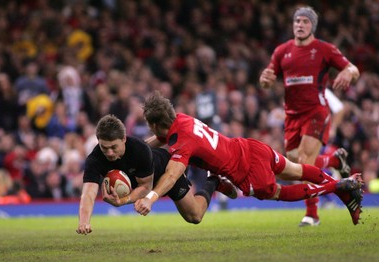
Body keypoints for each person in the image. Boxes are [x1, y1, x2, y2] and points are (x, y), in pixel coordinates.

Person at [135, 92, 364, 226]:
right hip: (250, 147)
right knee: (296, 170)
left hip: (246, 171)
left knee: (278, 193)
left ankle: (339, 186)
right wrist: (134, 151)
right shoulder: (181, 119)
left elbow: (173, 174)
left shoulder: (181, 142)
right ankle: (341, 185)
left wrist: (151, 199)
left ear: (155, 124)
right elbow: (160, 139)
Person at [259, 6, 360, 226]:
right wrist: (265, 81)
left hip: (316, 111)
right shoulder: (281, 51)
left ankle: (312, 214)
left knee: (305, 160)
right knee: (294, 166)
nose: (300, 25)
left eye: (305, 22)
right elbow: (267, 79)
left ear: (312, 25)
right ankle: (334, 160)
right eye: (297, 21)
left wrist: (346, 72)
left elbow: (353, 69)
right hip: (292, 116)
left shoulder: (324, 49)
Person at [76, 114, 236, 235]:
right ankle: (215, 180)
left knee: (195, 216)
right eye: (104, 148)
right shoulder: (94, 159)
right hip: (143, 182)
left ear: (124, 139)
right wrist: (84, 222)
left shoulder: (139, 149)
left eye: (113, 147)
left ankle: (213, 180)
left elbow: (146, 187)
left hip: (165, 171)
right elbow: (88, 193)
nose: (109, 153)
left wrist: (123, 201)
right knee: (194, 218)